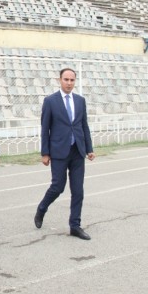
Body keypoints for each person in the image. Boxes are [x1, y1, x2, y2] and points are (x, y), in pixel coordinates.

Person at [34, 68, 96, 240]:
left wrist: (89, 149)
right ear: (59, 80)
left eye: (72, 80)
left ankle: (75, 225)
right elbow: (44, 128)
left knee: (78, 190)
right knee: (58, 187)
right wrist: (45, 153)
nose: (69, 83)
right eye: (66, 79)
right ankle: (42, 208)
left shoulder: (80, 101)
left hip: (77, 151)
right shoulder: (50, 101)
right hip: (59, 151)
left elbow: (84, 126)